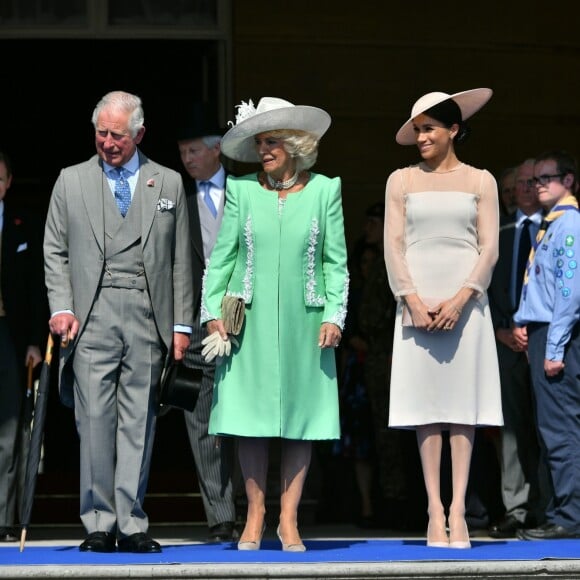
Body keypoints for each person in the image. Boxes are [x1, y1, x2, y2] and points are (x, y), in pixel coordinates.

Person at [43, 90, 194, 553]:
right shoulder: (70, 181)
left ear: (140, 134)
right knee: (93, 420)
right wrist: (61, 306)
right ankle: (97, 520)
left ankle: (131, 522)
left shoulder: (166, 182)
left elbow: (180, 261)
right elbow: (55, 250)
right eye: (101, 133)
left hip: (148, 317)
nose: (108, 143)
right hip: (91, 317)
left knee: (139, 421)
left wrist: (182, 325)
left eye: (118, 135)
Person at [200, 96, 349, 551]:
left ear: (296, 144)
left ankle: (289, 519)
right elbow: (221, 258)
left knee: (301, 421)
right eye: (260, 142)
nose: (264, 149)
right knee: (250, 420)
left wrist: (334, 316)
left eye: (273, 141)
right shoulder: (242, 191)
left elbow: (335, 263)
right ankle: (256, 514)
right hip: (250, 323)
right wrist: (211, 315)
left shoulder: (326, 190)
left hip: (307, 325)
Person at [384, 88, 503, 548]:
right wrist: (411, 299)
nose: (421, 138)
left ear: (453, 130)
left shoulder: (481, 180)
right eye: (417, 130)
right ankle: (435, 510)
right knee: (427, 410)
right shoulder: (401, 180)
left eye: (429, 128)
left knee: (462, 409)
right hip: (415, 302)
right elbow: (394, 246)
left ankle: (459, 511)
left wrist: (461, 298)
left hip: (466, 303)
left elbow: (489, 246)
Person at [175, 104, 238, 542]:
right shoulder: (174, 195)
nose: (188, 160)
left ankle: (257, 509)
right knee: (200, 420)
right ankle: (220, 515)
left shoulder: (247, 192)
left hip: (245, 323)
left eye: (194, 151)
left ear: (217, 150)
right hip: (195, 323)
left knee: (247, 420)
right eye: (182, 153)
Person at [513, 150, 580, 540]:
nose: (538, 186)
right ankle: (559, 510)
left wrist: (553, 349)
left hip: (557, 337)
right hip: (542, 332)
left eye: (546, 178)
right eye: (534, 180)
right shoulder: (552, 224)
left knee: (560, 428)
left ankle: (569, 515)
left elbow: (569, 294)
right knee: (550, 428)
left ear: (568, 181)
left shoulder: (568, 225)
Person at [487, 158, 547, 538]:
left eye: (531, 182)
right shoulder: (498, 232)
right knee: (510, 430)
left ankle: (553, 506)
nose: (524, 189)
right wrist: (499, 330)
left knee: (550, 428)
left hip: (546, 343)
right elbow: (484, 286)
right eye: (518, 184)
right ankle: (517, 507)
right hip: (506, 342)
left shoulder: (560, 229)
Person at [0, 151, 46, 542]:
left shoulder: (23, 225)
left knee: (10, 429)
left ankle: (2, 517)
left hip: (10, 340)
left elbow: (36, 289)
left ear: (9, 181)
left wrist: (34, 340)